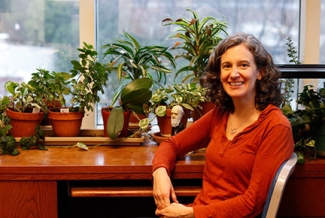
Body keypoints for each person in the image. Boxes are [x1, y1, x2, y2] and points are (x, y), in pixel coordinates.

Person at [151, 32, 294, 218]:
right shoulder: (219, 115)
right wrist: (160, 172)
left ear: (260, 72)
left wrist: (191, 213)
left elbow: (253, 203)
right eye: (227, 66)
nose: (234, 74)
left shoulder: (275, 127)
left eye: (243, 65)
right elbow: (172, 144)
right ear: (219, 74)